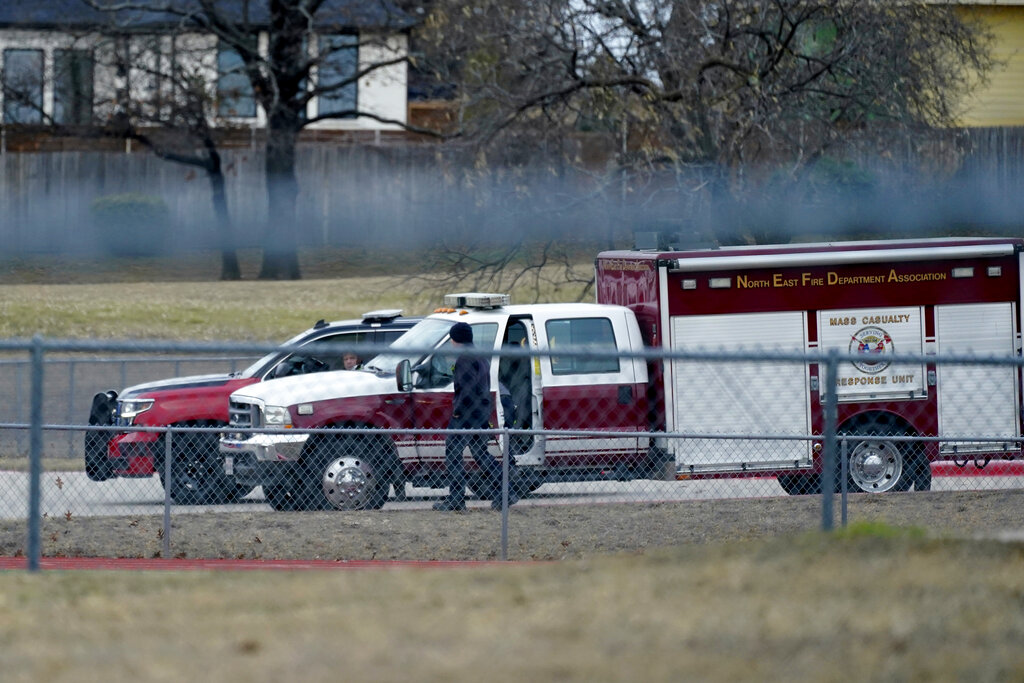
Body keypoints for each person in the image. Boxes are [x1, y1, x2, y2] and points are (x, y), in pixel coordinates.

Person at [433, 322, 517, 511]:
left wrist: (458, 411)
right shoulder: (480, 357)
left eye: (453, 339)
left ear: (457, 339)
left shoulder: (465, 359)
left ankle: (456, 500)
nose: (452, 343)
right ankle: (507, 492)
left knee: (453, 454)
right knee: (480, 454)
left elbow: (467, 389)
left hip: (465, 415)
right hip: (480, 412)